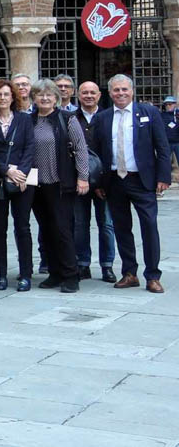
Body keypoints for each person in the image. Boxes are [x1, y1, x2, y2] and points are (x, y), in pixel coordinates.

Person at [90, 74, 171, 293]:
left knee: (149, 226)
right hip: (115, 181)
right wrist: (98, 182)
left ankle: (153, 275)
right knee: (121, 228)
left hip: (142, 180)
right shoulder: (103, 118)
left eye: (125, 89)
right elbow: (96, 152)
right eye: (116, 90)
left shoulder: (149, 113)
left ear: (132, 91)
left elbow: (162, 147)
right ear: (110, 93)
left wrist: (163, 177)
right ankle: (129, 273)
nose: (121, 93)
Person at [27, 79, 88, 293]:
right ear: (33, 98)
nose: (44, 98)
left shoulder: (67, 119)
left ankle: (71, 275)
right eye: (40, 94)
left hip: (60, 183)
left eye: (49, 95)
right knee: (46, 230)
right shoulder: (29, 120)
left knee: (62, 229)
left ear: (56, 98)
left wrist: (83, 177)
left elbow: (80, 149)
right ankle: (54, 273)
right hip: (36, 184)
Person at [0, 79, 35, 291]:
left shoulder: (24, 120)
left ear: (13, 97)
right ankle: (1, 274)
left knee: (22, 227)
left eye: (6, 94)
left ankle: (25, 274)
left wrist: (20, 172)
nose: (3, 98)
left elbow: (30, 147)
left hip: (21, 182)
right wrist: (6, 170)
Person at [74, 81, 116, 283]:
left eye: (93, 92)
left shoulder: (108, 118)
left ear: (99, 95)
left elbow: (111, 152)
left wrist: (103, 183)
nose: (89, 96)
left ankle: (107, 265)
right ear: (78, 95)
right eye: (85, 93)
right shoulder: (71, 117)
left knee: (106, 224)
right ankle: (83, 264)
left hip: (104, 182)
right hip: (78, 181)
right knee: (80, 224)